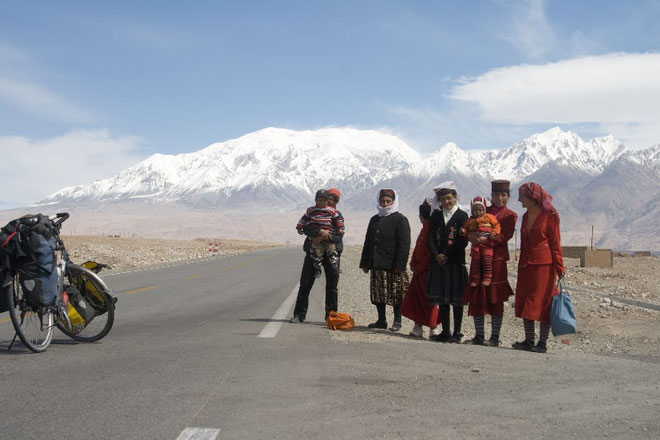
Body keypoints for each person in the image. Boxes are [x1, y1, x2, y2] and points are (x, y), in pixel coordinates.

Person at [461, 180, 518, 346]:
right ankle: (479, 335)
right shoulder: (481, 210)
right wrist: (469, 236)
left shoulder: (510, 215)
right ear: (491, 195)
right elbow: (469, 227)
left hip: (497, 260)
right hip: (478, 257)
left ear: (508, 196)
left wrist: (484, 239)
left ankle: (494, 337)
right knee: (477, 294)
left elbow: (504, 236)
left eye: (503, 194)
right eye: (496, 194)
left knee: (495, 298)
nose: (499, 198)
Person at [512, 182, 565, 353]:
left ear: (531, 197)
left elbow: (555, 243)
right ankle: (529, 340)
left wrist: (559, 267)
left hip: (544, 266)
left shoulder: (549, 215)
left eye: (521, 196)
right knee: (525, 300)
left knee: (543, 302)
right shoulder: (526, 216)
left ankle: (542, 342)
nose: (519, 199)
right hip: (526, 265)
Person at [359, 189, 411, 332]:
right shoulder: (374, 219)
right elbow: (368, 242)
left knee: (396, 294)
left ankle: (397, 321)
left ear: (394, 202)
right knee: (378, 293)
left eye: (388, 201)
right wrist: (365, 262)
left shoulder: (400, 219)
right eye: (382, 201)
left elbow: (404, 244)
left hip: (393, 264)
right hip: (377, 263)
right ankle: (381, 320)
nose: (385, 204)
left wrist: (400, 265)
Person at [290, 188, 345, 323]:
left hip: (332, 253)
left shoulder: (336, 214)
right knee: (305, 283)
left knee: (332, 287)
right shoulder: (313, 213)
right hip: (313, 252)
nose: (329, 201)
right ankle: (299, 314)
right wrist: (320, 231)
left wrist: (325, 236)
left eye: (332, 199)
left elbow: (339, 235)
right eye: (327, 198)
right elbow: (307, 228)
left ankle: (331, 317)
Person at [427, 181, 469, 343]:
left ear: (455, 197)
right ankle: (445, 331)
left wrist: (446, 254)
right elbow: (430, 237)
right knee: (443, 299)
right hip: (438, 262)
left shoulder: (462, 216)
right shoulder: (436, 215)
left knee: (456, 300)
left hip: (455, 262)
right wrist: (437, 255)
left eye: (449, 198)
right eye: (443, 199)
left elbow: (462, 240)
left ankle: (457, 332)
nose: (446, 202)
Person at [400, 198, 440, 338]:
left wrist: (419, 267)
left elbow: (431, 252)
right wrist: (413, 263)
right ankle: (418, 326)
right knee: (418, 299)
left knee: (431, 299)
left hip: (428, 271)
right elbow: (418, 249)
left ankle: (433, 327)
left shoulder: (432, 230)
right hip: (419, 271)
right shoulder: (426, 229)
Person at [296, 190, 344, 278]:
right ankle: (317, 268)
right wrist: (318, 232)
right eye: (320, 200)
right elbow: (305, 225)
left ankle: (335, 267)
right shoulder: (312, 211)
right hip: (314, 241)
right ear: (316, 200)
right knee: (315, 253)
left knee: (332, 251)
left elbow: (339, 232)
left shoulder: (334, 212)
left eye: (333, 200)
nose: (323, 202)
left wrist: (339, 229)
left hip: (329, 242)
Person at [460, 196, 501, 287]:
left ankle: (487, 278)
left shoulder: (489, 217)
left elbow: (497, 226)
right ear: (471, 210)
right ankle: (476, 278)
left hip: (487, 244)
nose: (478, 212)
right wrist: (464, 232)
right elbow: (465, 229)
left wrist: (493, 233)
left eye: (480, 210)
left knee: (487, 260)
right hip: (476, 246)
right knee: (475, 261)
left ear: (484, 209)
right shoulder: (470, 221)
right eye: (475, 210)